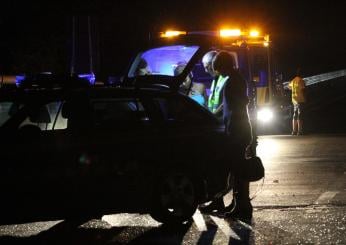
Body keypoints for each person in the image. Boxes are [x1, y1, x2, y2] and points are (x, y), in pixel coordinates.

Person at [200, 51, 254, 222]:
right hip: (236, 131)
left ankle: (243, 207)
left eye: (218, 67)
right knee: (236, 171)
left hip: (237, 132)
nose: (217, 71)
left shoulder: (234, 81)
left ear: (224, 65)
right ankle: (238, 204)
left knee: (239, 172)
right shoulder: (234, 79)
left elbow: (235, 108)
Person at [203, 51, 228, 119]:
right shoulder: (215, 79)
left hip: (221, 120)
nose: (206, 70)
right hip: (216, 120)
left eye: (206, 67)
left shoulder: (227, 79)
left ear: (213, 64)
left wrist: (212, 116)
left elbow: (225, 103)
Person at [288, 69, 306, 135]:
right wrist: (305, 98)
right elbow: (303, 89)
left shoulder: (293, 81)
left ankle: (294, 131)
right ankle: (300, 131)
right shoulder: (301, 80)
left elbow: (289, 87)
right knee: (300, 114)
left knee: (295, 114)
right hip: (300, 99)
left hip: (294, 100)